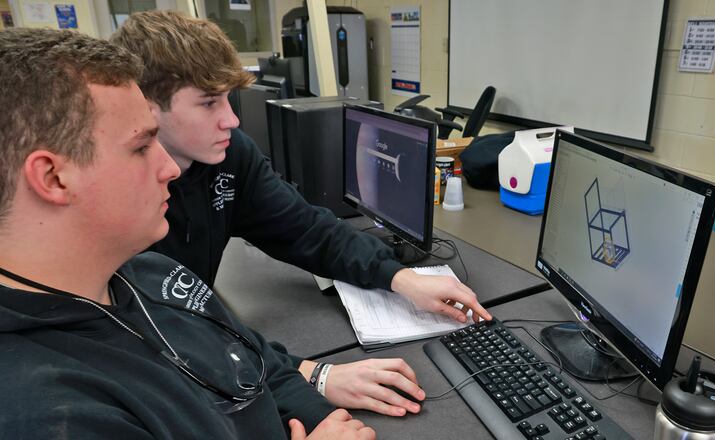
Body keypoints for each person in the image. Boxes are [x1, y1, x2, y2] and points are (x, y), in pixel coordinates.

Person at [110, 11, 492, 416]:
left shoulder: (227, 155)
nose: (232, 119)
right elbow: (156, 335)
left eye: (227, 98)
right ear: (146, 107)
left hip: (210, 345)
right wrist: (311, 375)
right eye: (208, 103)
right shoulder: (114, 194)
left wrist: (398, 277)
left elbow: (306, 229)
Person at [0, 27, 374, 439]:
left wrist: (318, 413)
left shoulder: (152, 274)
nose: (171, 169)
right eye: (142, 147)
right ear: (53, 177)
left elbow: (247, 359)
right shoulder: (43, 410)